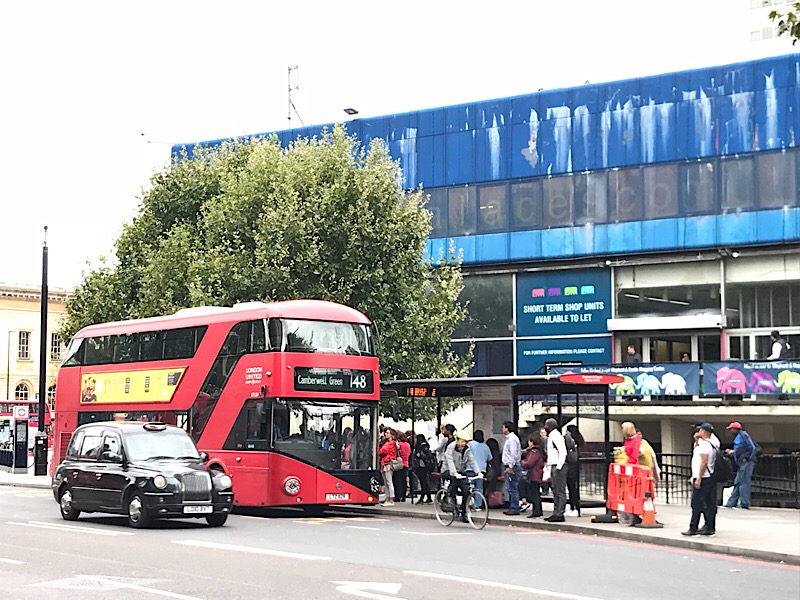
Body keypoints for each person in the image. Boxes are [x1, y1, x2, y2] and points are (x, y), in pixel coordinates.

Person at [683, 422, 719, 536]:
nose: (697, 432)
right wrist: (696, 441)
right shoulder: (712, 443)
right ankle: (709, 527)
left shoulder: (705, 445)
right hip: (709, 477)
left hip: (703, 478)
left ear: (704, 431)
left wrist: (698, 478)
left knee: (696, 504)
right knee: (709, 503)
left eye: (699, 430)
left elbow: (703, 462)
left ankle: (693, 527)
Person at [444, 431, 481, 522]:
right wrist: (454, 473)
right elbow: (450, 460)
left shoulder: (467, 449)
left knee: (466, 490)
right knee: (455, 482)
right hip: (448, 470)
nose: (464, 444)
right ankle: (450, 499)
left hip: (461, 471)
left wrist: (478, 472)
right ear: (457, 440)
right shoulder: (451, 447)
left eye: (465, 442)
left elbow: (472, 460)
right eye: (462, 441)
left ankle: (464, 512)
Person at [724, 421, 758, 510]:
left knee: (744, 482)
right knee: (738, 481)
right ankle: (731, 503)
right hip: (743, 462)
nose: (730, 431)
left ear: (735, 429)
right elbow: (742, 449)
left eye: (731, 429)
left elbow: (752, 448)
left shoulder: (743, 435)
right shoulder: (740, 436)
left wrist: (745, 458)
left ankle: (744, 504)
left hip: (747, 462)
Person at [543, 418, 567, 522]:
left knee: (560, 491)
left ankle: (560, 513)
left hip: (558, 466)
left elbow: (563, 452)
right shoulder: (551, 436)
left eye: (546, 425)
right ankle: (555, 511)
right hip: (553, 465)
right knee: (555, 490)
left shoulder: (556, 436)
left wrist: (559, 467)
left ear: (551, 426)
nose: (545, 427)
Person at [521, 431, 545, 519]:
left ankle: (537, 511)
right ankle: (537, 511)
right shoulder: (537, 451)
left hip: (534, 474)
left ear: (532, 441)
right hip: (536, 474)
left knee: (534, 494)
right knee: (535, 493)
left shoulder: (534, 451)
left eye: (529, 441)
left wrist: (522, 462)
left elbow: (529, 463)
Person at [501, 421, 522, 516]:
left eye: (503, 427)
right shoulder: (509, 439)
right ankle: (512, 506)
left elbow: (513, 454)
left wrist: (511, 466)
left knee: (512, 487)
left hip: (512, 466)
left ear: (507, 428)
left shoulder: (512, 439)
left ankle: (514, 507)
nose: (502, 429)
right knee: (509, 487)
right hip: (509, 465)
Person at [564, 425, 584, 517]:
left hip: (571, 466)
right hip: (576, 466)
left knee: (571, 487)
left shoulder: (569, 440)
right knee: (573, 487)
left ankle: (574, 507)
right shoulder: (579, 440)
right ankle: (575, 507)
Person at [468, 430, 491, 506]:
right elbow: (490, 458)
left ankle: (468, 503)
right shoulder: (486, 447)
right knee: (479, 487)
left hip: (470, 468)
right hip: (481, 470)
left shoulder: (470, 444)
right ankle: (478, 504)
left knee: (468, 487)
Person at [412, 433, 435, 503]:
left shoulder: (423, 446)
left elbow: (429, 456)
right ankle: (428, 497)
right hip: (421, 466)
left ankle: (422, 497)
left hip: (422, 466)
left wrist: (420, 456)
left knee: (423, 482)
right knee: (424, 482)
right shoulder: (421, 446)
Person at [378, 430, 398, 506]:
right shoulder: (387, 443)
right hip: (384, 463)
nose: (385, 434)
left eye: (387, 433)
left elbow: (383, 451)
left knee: (389, 482)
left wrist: (381, 450)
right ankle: (387, 498)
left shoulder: (391, 443)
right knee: (386, 483)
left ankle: (391, 499)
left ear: (391, 435)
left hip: (388, 463)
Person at [394, 432, 411, 502]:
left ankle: (398, 496)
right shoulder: (408, 445)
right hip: (406, 463)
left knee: (397, 480)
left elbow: (398, 453)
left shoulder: (399, 445)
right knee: (403, 480)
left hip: (399, 463)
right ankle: (403, 496)